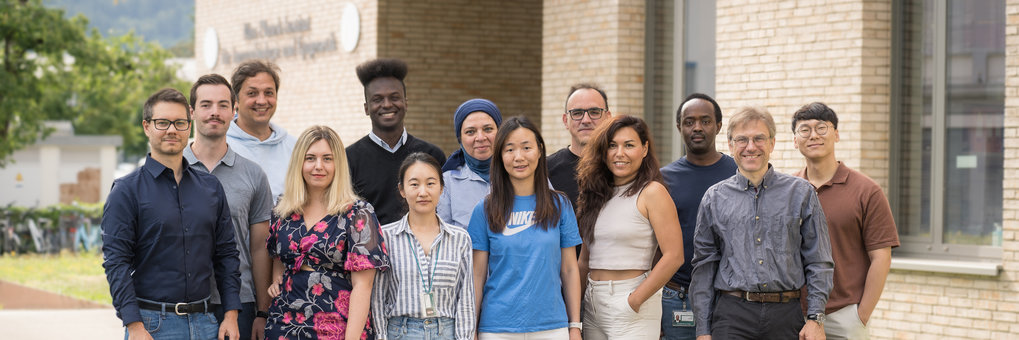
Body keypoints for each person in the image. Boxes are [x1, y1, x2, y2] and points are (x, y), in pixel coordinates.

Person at [102, 88, 241, 340]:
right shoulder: (126, 191)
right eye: (162, 123)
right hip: (152, 326)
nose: (172, 130)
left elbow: (227, 255)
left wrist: (231, 315)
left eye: (179, 123)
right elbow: (116, 263)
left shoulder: (210, 187)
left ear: (189, 126)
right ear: (146, 126)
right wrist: (134, 325)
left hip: (207, 323)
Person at [690, 106, 833, 340]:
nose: (750, 147)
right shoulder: (714, 198)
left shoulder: (802, 194)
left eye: (759, 138)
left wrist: (816, 318)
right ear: (730, 145)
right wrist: (703, 330)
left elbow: (819, 260)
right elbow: (704, 266)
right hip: (732, 315)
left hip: (786, 315)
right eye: (742, 140)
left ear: (772, 144)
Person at [265, 126, 390, 339]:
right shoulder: (283, 208)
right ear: (299, 162)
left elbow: (363, 285)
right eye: (310, 158)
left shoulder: (358, 213)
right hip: (283, 323)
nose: (318, 166)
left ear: (338, 164)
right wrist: (277, 277)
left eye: (327, 159)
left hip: (336, 326)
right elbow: (278, 256)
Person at [467, 116, 583, 340]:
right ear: (500, 156)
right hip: (497, 328)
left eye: (526, 148)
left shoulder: (560, 205)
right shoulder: (484, 209)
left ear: (540, 151)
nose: (518, 157)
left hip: (552, 327)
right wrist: (471, 327)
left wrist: (574, 325)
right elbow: (477, 274)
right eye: (509, 149)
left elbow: (569, 269)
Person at [791, 102, 899, 340]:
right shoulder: (788, 190)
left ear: (836, 135)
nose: (814, 135)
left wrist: (861, 315)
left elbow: (881, 257)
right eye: (805, 130)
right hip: (794, 316)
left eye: (822, 128)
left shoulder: (867, 191)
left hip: (844, 316)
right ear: (795, 140)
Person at [575, 115, 684, 340]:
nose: (619, 153)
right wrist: (575, 313)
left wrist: (634, 301)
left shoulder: (652, 192)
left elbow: (674, 256)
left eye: (629, 145)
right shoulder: (595, 195)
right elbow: (585, 261)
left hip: (632, 302)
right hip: (593, 303)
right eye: (612, 146)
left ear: (644, 149)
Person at [185, 74, 276, 340]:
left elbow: (260, 248)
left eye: (223, 105)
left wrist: (262, 311)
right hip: (184, 302)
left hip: (240, 301)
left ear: (234, 110)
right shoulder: (171, 171)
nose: (215, 112)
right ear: (192, 112)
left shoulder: (253, 175)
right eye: (206, 105)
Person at [372, 152, 476, 340]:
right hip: (400, 331)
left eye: (430, 183)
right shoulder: (385, 237)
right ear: (402, 190)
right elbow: (378, 299)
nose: (423, 192)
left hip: (447, 332)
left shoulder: (460, 239)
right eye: (414, 184)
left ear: (441, 188)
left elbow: (465, 301)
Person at [658, 93, 737, 340]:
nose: (697, 128)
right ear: (679, 127)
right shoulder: (663, 179)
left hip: (730, 298)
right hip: (677, 296)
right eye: (689, 121)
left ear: (719, 126)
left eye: (705, 120)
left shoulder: (738, 173)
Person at [346, 58, 446, 225]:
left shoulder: (432, 155)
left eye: (394, 97)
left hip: (424, 250)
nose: (387, 105)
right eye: (377, 99)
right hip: (370, 250)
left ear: (406, 103)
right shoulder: (348, 159)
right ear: (366, 108)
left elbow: (443, 210)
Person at [226, 59, 297, 201]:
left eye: (268, 93)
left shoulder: (295, 147)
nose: (262, 101)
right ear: (236, 100)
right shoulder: (222, 146)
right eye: (252, 93)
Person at [437, 98, 503, 228]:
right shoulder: (447, 183)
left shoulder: (521, 173)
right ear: (460, 138)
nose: (480, 138)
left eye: (488, 129)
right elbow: (443, 237)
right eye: (470, 132)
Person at [548, 84, 613, 208]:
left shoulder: (620, 167)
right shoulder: (545, 171)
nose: (586, 120)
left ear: (608, 118)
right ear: (565, 120)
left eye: (594, 112)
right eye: (577, 113)